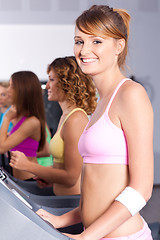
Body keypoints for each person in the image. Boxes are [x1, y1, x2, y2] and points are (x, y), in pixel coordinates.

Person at [35, 5, 154, 240]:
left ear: (119, 46)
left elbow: (141, 190)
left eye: (96, 41)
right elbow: (100, 190)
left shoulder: (131, 94)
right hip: (94, 234)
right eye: (79, 41)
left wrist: (85, 237)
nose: (84, 50)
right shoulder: (101, 103)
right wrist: (62, 219)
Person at [10, 56, 97, 196]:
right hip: (60, 196)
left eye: (51, 80)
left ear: (66, 83)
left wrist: (29, 166)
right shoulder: (66, 116)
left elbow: (70, 177)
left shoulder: (75, 120)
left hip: (70, 202)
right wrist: (49, 177)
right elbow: (62, 167)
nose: (48, 86)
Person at [0, 71, 46, 181]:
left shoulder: (32, 122)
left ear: (22, 90)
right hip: (18, 179)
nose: (8, 90)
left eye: (12, 86)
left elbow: (1, 147)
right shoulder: (20, 117)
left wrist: (7, 118)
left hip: (29, 179)